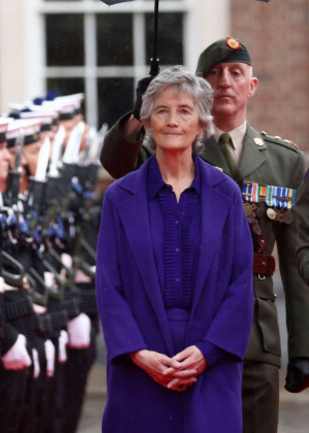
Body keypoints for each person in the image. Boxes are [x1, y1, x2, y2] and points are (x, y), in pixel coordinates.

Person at [100, 38, 309, 433]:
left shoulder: (284, 160)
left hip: (251, 334)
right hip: (150, 343)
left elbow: (294, 261)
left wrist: (304, 346)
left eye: (236, 73)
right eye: (214, 74)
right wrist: (137, 110)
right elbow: (116, 162)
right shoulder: (143, 169)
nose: (173, 120)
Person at [96, 65, 254, 433]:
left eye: (184, 111)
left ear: (202, 124)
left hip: (210, 361)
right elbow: (108, 284)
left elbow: (241, 281)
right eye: (162, 111)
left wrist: (208, 352)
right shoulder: (120, 197)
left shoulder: (226, 193)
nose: (172, 120)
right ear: (148, 122)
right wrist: (138, 353)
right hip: (141, 363)